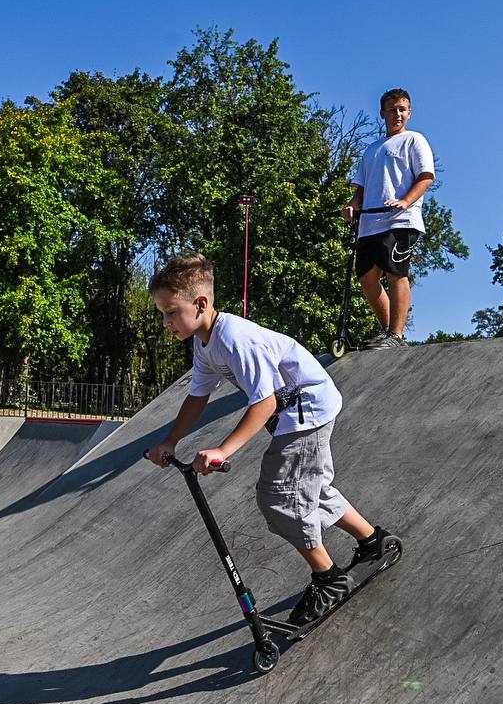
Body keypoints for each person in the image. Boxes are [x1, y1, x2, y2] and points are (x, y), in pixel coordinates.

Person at [144, 253, 394, 625]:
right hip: (296, 412)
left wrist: (222, 450)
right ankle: (374, 542)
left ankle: (329, 578)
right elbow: (197, 397)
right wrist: (171, 441)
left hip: (306, 411)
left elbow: (265, 401)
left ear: (201, 303)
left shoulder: (234, 339)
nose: (166, 322)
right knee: (311, 488)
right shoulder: (204, 343)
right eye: (163, 314)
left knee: (278, 496)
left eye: (171, 312)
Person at [343, 87, 435, 349]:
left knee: (396, 272)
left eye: (402, 109)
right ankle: (388, 331)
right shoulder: (371, 149)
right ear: (382, 113)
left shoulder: (414, 140)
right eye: (392, 109)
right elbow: (360, 189)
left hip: (400, 220)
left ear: (410, 112)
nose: (398, 114)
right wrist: (352, 206)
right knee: (367, 278)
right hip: (370, 223)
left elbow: (425, 177)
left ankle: (397, 334)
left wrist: (405, 201)